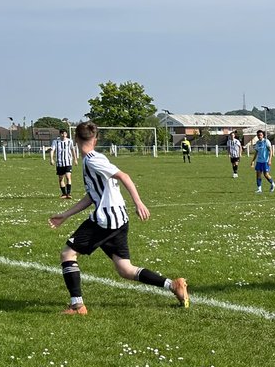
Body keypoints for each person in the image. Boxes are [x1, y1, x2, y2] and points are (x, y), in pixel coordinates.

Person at [48, 122, 189, 315]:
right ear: (95, 139)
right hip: (119, 219)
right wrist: (65, 215)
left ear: (75, 139)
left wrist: (138, 202)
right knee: (125, 269)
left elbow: (124, 176)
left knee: (68, 254)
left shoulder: (92, 160)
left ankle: (77, 305)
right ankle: (173, 285)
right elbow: (92, 196)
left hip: (105, 220)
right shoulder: (96, 158)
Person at [50, 127, 76, 199]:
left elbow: (72, 150)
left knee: (68, 177)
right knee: (61, 178)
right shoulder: (56, 142)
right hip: (60, 163)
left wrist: (75, 159)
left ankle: (69, 193)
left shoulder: (70, 141)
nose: (63, 135)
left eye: (65, 133)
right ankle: (64, 194)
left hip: (68, 162)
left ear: (66, 134)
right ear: (60, 134)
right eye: (62, 133)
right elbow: (52, 150)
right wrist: (51, 159)